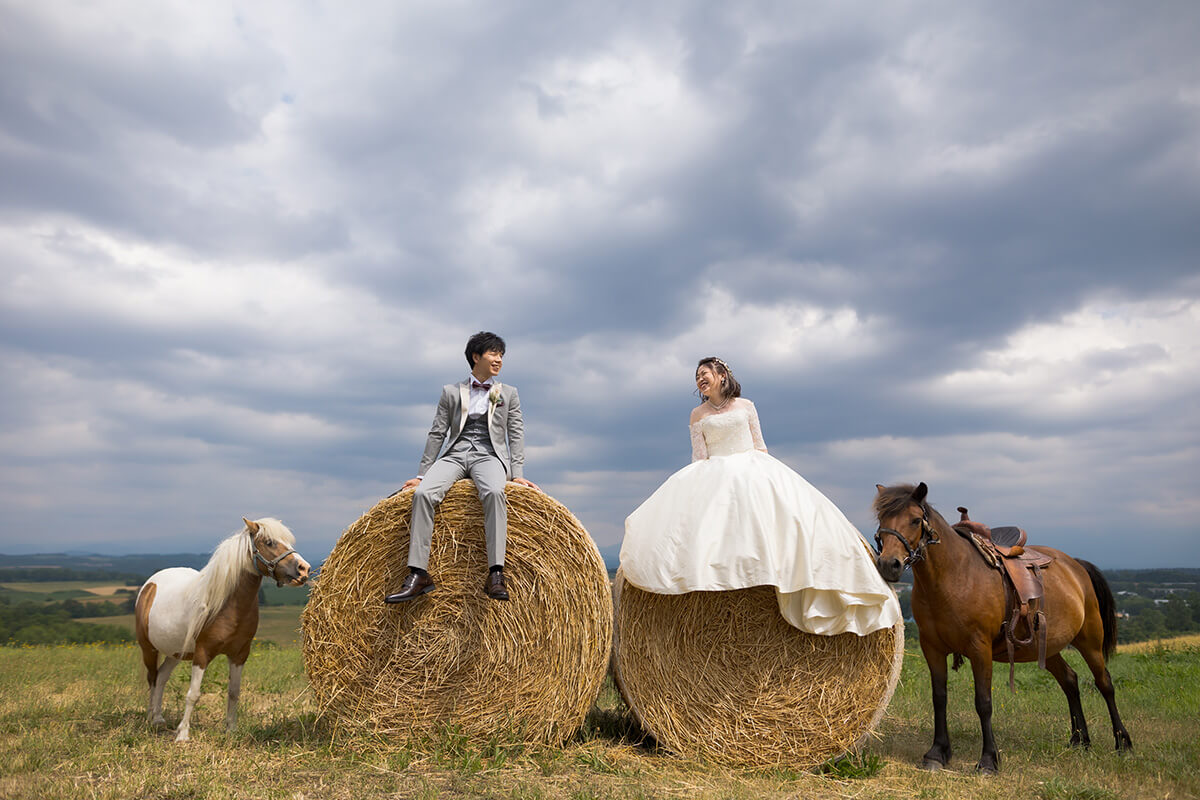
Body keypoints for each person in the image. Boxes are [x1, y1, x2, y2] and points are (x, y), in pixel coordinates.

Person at [620, 357, 901, 635]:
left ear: (722, 375)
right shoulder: (698, 415)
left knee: (790, 522)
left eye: (704, 373)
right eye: (696, 377)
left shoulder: (746, 406)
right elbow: (699, 457)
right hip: (714, 473)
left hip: (753, 468)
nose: (700, 380)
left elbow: (759, 446)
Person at [385, 331, 539, 604]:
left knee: (494, 492)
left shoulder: (509, 394)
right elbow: (437, 433)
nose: (499, 359)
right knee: (422, 495)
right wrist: (422, 474)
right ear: (476, 357)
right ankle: (418, 572)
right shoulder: (451, 392)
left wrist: (517, 475)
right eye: (493, 353)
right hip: (454, 454)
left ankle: (496, 573)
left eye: (501, 355)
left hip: (489, 456)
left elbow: (516, 434)